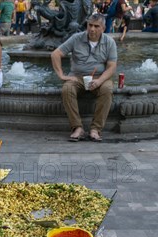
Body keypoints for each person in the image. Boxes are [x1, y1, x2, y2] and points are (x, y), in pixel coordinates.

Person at [51, 13, 117, 142]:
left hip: (100, 77)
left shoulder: (109, 42)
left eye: (96, 26)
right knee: (67, 89)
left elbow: (111, 67)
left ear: (103, 28)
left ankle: (95, 129)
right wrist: (61, 75)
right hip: (77, 77)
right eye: (90, 25)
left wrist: (99, 81)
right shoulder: (76, 38)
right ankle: (77, 128)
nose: (92, 29)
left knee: (107, 89)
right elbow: (55, 54)